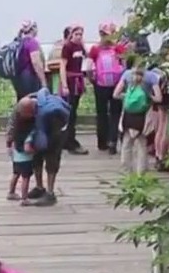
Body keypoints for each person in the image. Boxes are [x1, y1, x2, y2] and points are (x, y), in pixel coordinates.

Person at [5, 90, 70, 206]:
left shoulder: (49, 112)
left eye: (26, 115)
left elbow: (55, 134)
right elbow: (13, 124)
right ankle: (39, 187)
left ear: (32, 111)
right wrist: (9, 141)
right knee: (36, 158)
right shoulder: (21, 107)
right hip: (38, 129)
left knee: (51, 159)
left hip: (56, 130)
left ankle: (50, 193)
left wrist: (41, 144)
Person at [113, 66, 161, 174]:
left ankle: (126, 169)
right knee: (141, 144)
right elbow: (159, 99)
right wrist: (150, 97)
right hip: (142, 117)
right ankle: (141, 171)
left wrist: (126, 96)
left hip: (128, 116)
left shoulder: (127, 78)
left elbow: (115, 94)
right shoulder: (151, 78)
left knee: (126, 143)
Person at [88, 22, 127, 154]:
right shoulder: (119, 48)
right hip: (116, 85)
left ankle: (102, 142)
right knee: (115, 113)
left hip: (100, 85)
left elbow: (88, 68)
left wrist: (92, 80)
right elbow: (124, 66)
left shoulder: (95, 49)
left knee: (101, 113)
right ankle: (113, 142)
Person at [59, 24, 89, 155]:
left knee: (73, 111)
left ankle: (67, 139)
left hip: (78, 80)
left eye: (81, 34)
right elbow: (62, 66)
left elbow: (87, 57)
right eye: (76, 34)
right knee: (69, 112)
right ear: (71, 35)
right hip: (70, 81)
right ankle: (69, 141)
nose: (79, 37)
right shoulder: (67, 47)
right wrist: (64, 85)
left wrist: (83, 44)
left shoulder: (80, 47)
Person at [12, 20, 48, 100]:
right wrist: (43, 82)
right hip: (30, 77)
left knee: (22, 102)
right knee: (32, 102)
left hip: (18, 78)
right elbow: (36, 62)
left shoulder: (19, 42)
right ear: (33, 29)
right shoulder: (32, 42)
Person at [6, 129, 37, 205]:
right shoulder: (28, 134)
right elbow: (27, 149)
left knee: (16, 174)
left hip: (16, 158)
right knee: (25, 178)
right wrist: (34, 151)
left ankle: (11, 192)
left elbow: (9, 141)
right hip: (26, 159)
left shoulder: (16, 132)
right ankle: (24, 198)